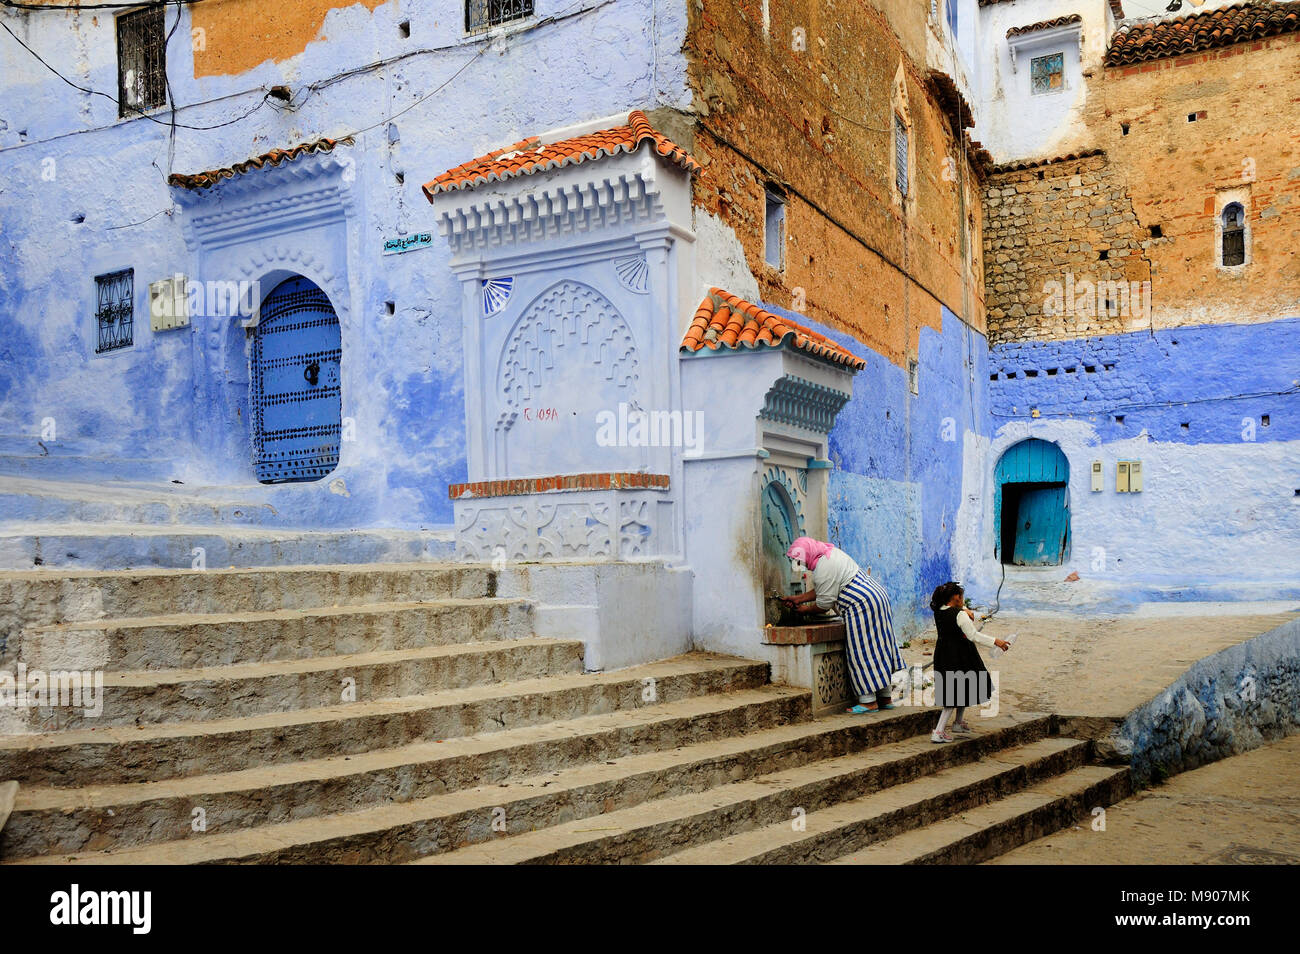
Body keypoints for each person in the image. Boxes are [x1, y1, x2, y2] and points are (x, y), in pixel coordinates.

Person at [782, 536, 903, 713]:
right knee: (878, 648)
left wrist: (804, 610)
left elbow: (824, 604)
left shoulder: (823, 567)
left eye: (799, 560)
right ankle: (885, 697)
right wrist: (798, 598)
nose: (799, 564)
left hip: (861, 606)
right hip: (876, 598)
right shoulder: (829, 554)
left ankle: (868, 702)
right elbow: (824, 589)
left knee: (862, 651)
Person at [927, 581, 1011, 743]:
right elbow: (974, 636)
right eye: (962, 596)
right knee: (953, 695)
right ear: (956, 597)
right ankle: (938, 731)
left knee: (963, 687)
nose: (963, 599)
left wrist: (964, 608)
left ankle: (958, 723)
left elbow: (956, 611)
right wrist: (996, 641)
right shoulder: (959, 615)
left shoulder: (939, 611)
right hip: (960, 655)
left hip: (944, 655)